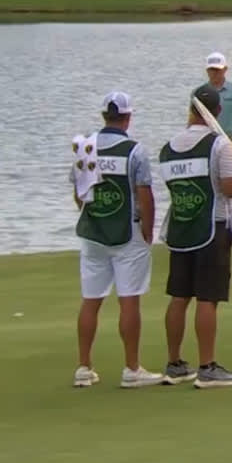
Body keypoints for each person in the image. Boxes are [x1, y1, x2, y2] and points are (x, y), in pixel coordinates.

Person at [70, 92, 167, 389]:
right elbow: (144, 195)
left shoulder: (85, 147)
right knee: (129, 300)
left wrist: (91, 214)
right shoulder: (135, 151)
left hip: (93, 233)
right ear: (127, 117)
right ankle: (131, 368)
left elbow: (78, 191)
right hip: (128, 234)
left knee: (91, 300)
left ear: (104, 116)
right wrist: (149, 230)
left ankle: (84, 367)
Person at [158, 84, 232, 388]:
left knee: (180, 296)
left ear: (190, 110)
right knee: (208, 297)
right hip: (212, 228)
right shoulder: (219, 145)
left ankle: (174, 364)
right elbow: (230, 188)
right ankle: (208, 367)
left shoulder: (168, 148)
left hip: (181, 229)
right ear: (218, 112)